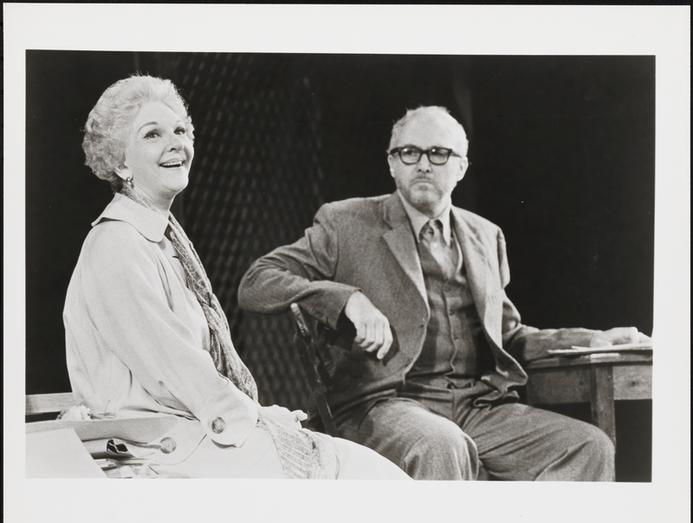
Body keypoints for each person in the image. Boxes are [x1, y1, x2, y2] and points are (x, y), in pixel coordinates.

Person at [237, 105, 651, 481]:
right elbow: (258, 281)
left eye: (438, 153)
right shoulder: (345, 223)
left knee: (587, 445)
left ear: (462, 167)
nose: (422, 164)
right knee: (442, 443)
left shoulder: (486, 235)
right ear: (392, 163)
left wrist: (591, 340)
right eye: (409, 153)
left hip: (476, 407)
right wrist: (347, 300)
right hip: (383, 406)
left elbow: (510, 336)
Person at [63, 74, 410, 480]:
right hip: (155, 447)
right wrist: (256, 420)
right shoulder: (117, 244)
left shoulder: (163, 238)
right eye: (152, 134)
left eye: (180, 130)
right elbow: (175, 370)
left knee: (367, 473)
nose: (175, 143)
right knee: (360, 478)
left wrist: (259, 416)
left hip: (187, 432)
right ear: (121, 162)